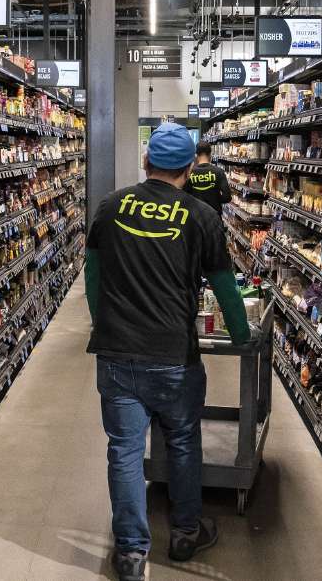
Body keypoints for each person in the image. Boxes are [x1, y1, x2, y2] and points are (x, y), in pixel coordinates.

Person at [85, 122, 251, 581]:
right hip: (174, 357)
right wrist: (241, 335)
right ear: (188, 167)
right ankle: (184, 533)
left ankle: (132, 553)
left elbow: (93, 277)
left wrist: (105, 324)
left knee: (123, 450)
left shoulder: (110, 206)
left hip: (117, 354)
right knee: (182, 441)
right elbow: (224, 286)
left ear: (146, 162)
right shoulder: (202, 217)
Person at [184, 142, 232, 216]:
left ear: (196, 155)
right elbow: (227, 197)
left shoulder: (190, 173)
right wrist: (215, 199)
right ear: (210, 154)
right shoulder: (219, 172)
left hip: (196, 216)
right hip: (214, 216)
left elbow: (185, 195)